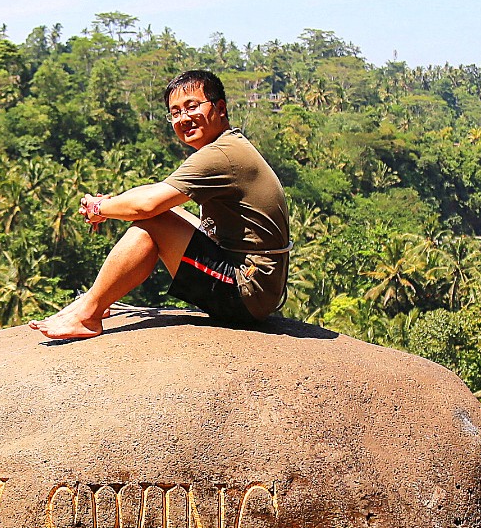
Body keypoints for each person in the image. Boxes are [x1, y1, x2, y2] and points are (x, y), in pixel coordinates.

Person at [31, 69, 291, 340]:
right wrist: (112, 204)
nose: (183, 118)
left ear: (220, 108)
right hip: (260, 285)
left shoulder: (222, 154)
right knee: (169, 213)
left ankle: (88, 314)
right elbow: (157, 196)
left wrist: (99, 209)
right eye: (175, 112)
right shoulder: (229, 146)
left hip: (248, 291)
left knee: (154, 220)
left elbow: (146, 205)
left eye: (192, 106)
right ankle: (97, 300)